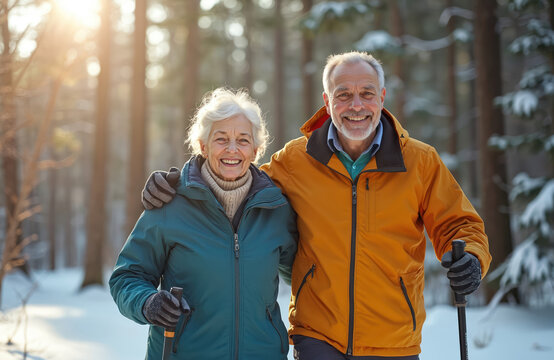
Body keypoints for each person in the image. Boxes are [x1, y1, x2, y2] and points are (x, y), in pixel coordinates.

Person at [142, 51, 491, 360]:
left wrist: (471, 257)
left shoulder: (419, 161)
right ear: (327, 101)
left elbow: (458, 223)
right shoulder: (297, 159)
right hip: (317, 336)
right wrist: (179, 183)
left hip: (394, 338)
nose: (356, 105)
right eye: (344, 95)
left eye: (367, 94)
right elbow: (240, 180)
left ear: (382, 97)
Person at [110, 87, 298, 360]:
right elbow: (127, 276)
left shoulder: (276, 209)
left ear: (256, 150)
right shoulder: (169, 204)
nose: (232, 149)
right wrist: (147, 302)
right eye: (221, 139)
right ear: (203, 145)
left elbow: (305, 275)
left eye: (243, 140)